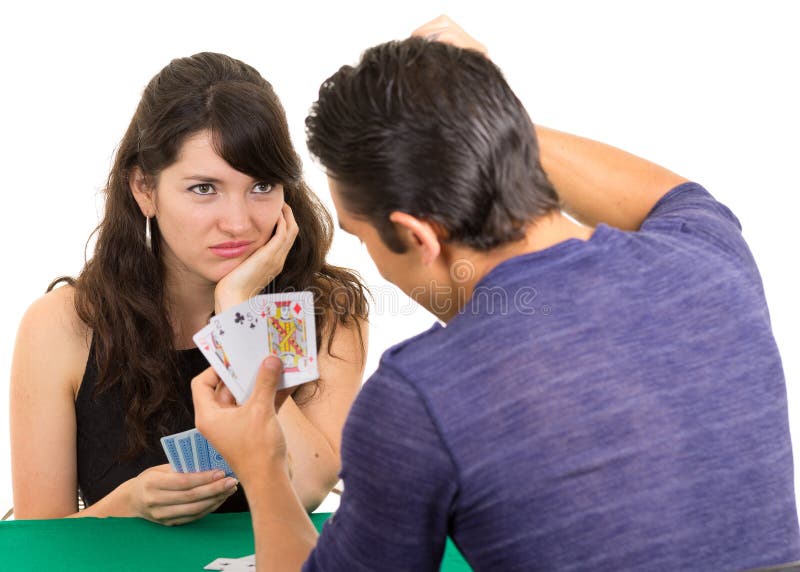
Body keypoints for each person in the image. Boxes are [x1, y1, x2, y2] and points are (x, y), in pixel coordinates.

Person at [192, 16, 800, 571]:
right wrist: (482, 116)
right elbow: (667, 192)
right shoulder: (712, 257)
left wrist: (262, 464)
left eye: (362, 237)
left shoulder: (419, 395)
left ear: (416, 236)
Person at [9, 52, 368, 526]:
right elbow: (34, 542)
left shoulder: (326, 312)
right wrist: (126, 506)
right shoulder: (64, 326)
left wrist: (237, 311)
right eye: (204, 188)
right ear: (144, 188)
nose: (239, 222)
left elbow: (305, 487)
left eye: (261, 186)